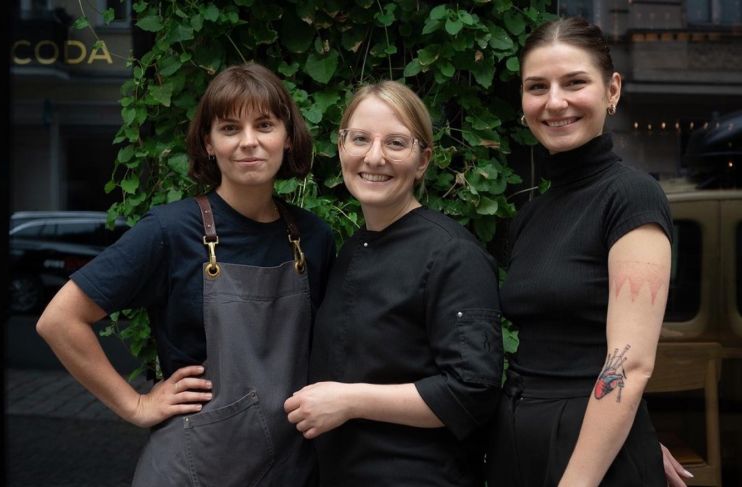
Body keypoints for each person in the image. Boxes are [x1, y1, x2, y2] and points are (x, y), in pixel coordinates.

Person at [36, 62, 335, 487]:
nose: (249, 142)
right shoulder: (171, 231)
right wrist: (135, 405)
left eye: (264, 125)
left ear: (287, 137)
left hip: (289, 469)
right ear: (209, 144)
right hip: (195, 471)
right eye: (230, 128)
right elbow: (60, 320)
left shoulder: (313, 238)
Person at [485, 17, 692, 487]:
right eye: (537, 87)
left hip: (586, 467)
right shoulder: (533, 213)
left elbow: (630, 365)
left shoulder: (631, 196)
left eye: (574, 82)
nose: (554, 102)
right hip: (519, 442)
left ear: (611, 89)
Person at [284, 81, 503, 486]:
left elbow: (472, 390)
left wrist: (349, 400)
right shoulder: (350, 248)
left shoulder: (453, 254)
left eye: (397, 143)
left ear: (423, 160)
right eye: (360, 139)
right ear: (340, 146)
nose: (375, 156)